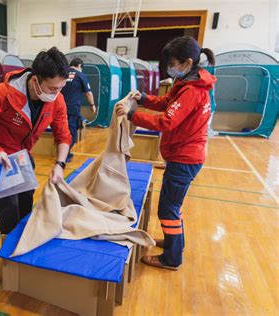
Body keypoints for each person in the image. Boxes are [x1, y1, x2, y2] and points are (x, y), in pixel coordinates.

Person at [116, 36, 216, 270]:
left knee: (168, 209)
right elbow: (166, 103)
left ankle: (171, 258)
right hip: (184, 154)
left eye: (172, 62)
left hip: (185, 157)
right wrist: (144, 99)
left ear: (187, 62)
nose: (170, 68)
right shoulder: (189, 84)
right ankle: (174, 243)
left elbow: (168, 121)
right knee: (173, 206)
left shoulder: (192, 90)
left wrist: (133, 115)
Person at [0, 47, 71, 237]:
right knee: (9, 207)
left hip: (23, 156)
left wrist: (60, 164)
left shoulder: (57, 100)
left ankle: (24, 240)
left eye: (61, 88)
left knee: (25, 201)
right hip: (2, 157)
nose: (56, 93)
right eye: (52, 88)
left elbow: (63, 135)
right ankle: (9, 250)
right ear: (35, 79)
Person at [60, 58, 96, 162]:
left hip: (59, 108)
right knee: (72, 134)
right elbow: (88, 93)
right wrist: (92, 105)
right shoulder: (81, 75)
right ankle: (64, 155)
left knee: (61, 130)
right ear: (79, 65)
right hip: (72, 109)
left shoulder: (62, 73)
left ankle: (64, 152)